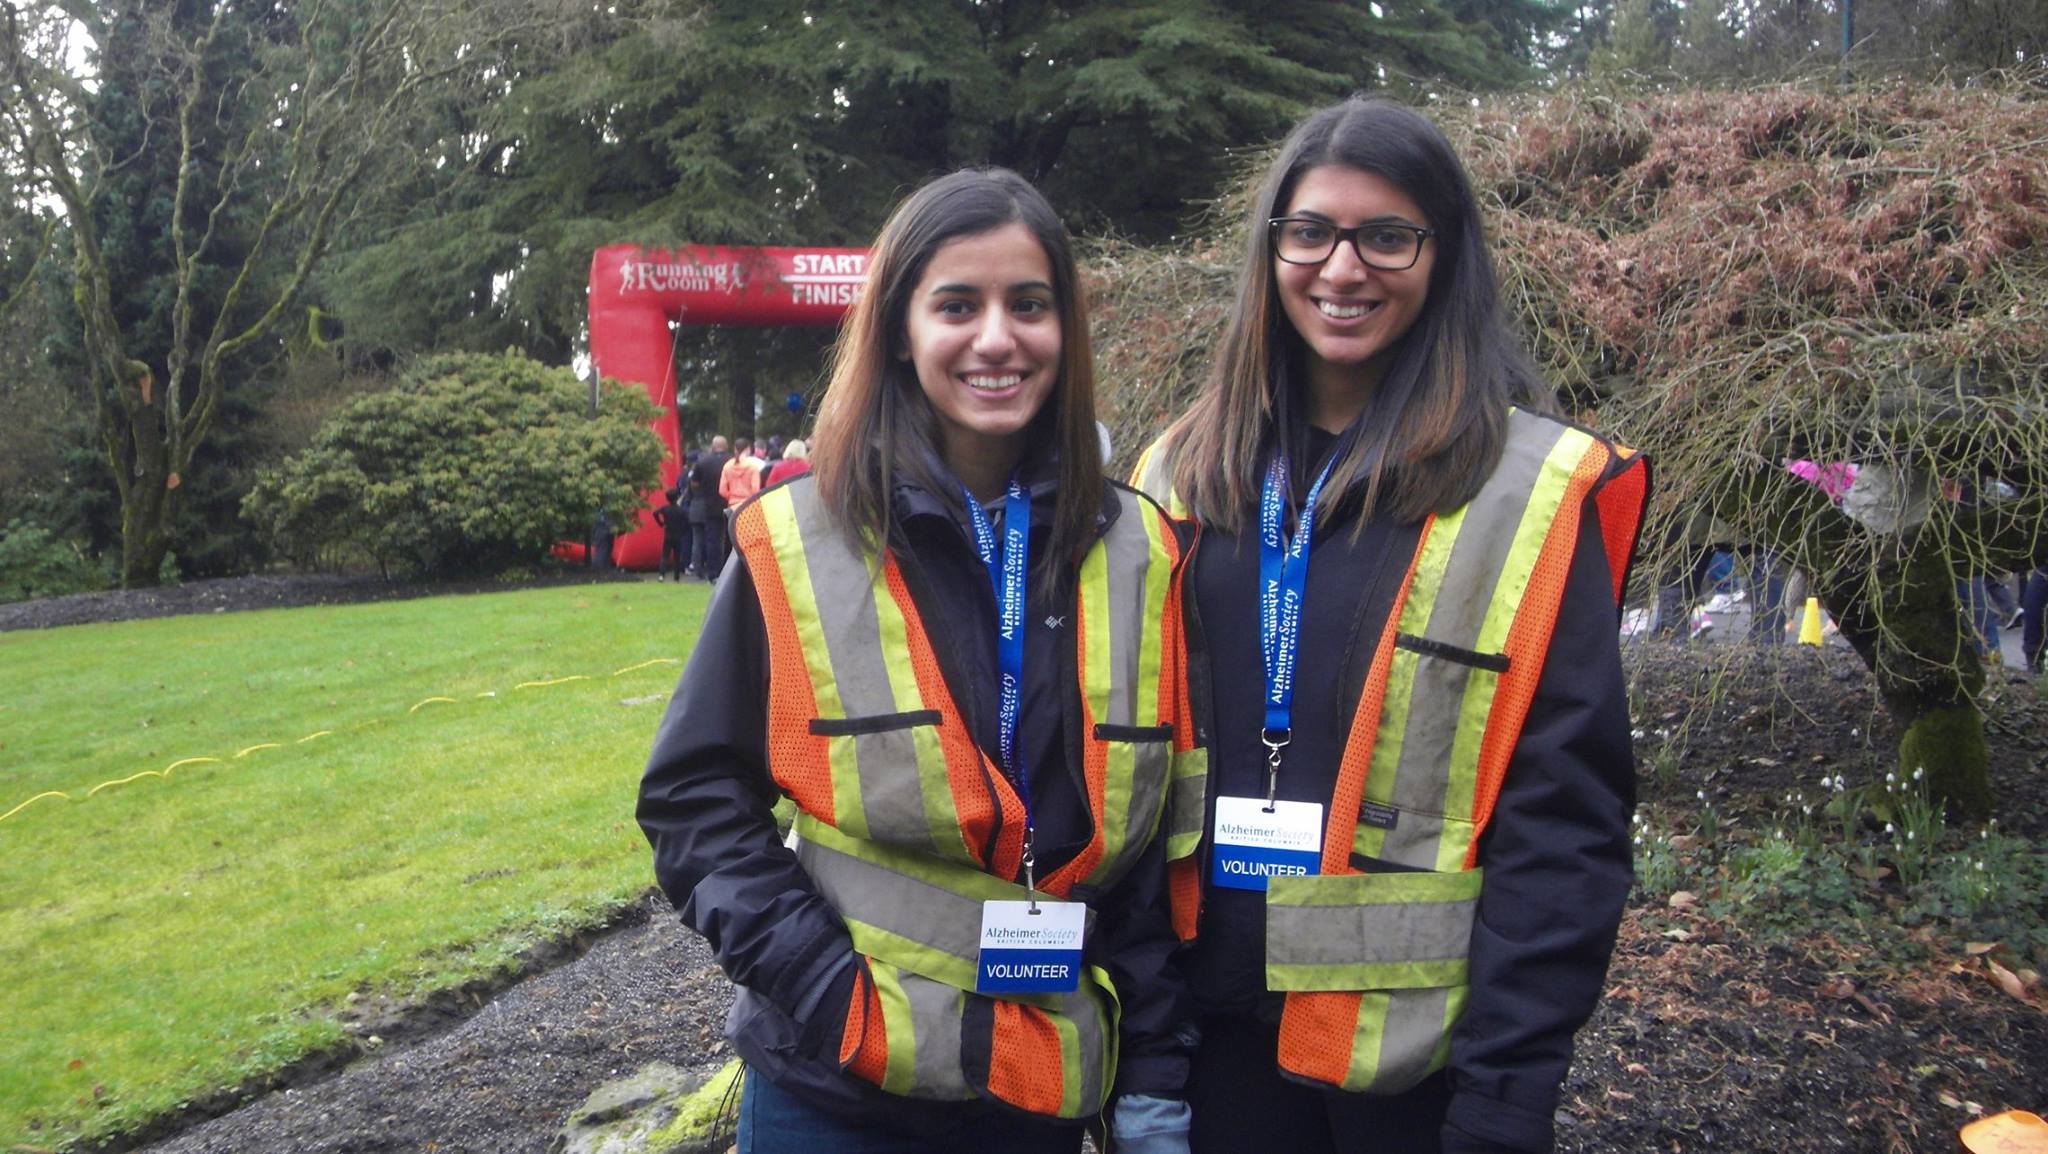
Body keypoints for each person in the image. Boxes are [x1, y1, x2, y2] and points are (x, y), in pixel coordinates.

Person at [639, 167, 1206, 1154]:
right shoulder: (796, 537)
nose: (996, 336)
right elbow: (693, 797)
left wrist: (1151, 1069)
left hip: (1038, 1089)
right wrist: (822, 987)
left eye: (1027, 304)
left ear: (1063, 331)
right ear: (899, 327)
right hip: (834, 1090)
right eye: (957, 304)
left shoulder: (1138, 548)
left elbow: (1149, 853)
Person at [1130, 97, 1649, 1154]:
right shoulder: (1174, 475)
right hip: (1209, 1028)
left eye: (1386, 236)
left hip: (1423, 1062)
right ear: (1269, 249)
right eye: (1309, 232)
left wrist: (1507, 1089)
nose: (1341, 268)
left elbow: (1564, 817)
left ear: (1441, 254)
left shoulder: (1527, 488)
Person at [690, 436, 732, 579]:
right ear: (726, 446)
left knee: (712, 539)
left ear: (713, 446)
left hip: (710, 505)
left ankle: (714, 572)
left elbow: (694, 483)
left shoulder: (703, 462)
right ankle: (729, 572)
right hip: (730, 503)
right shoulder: (732, 461)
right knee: (730, 538)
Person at [653, 486, 690, 581]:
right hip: (678, 535)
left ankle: (661, 575)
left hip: (668, 534)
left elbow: (655, 513)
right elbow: (687, 522)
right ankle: (676, 577)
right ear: (677, 497)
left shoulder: (665, 508)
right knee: (677, 557)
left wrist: (661, 524)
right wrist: (683, 531)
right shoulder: (681, 510)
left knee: (665, 555)